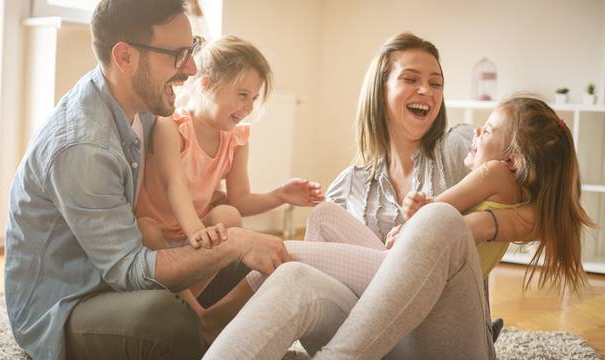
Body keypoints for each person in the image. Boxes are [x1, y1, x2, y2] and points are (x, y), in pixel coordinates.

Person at [203, 33, 545, 359]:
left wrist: (481, 224)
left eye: (436, 83)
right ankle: (208, 331)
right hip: (376, 341)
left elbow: (547, 206)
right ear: (380, 90)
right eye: (410, 79)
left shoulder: (462, 146)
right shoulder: (347, 185)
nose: (426, 90)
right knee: (296, 271)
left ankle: (228, 302)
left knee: (438, 219)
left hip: (444, 336)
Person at [4, 1, 291, 359]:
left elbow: (179, 183)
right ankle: (199, 328)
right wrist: (233, 242)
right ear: (125, 57)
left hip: (115, 274)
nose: (189, 68)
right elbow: (128, 269)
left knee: (248, 268)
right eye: (177, 54)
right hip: (70, 302)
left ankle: (205, 326)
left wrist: (225, 227)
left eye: (193, 49)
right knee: (166, 320)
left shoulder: (143, 107)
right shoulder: (84, 147)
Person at [134, 34, 324, 314]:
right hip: (160, 237)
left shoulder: (235, 139)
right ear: (207, 85)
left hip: (193, 234)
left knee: (229, 215)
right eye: (242, 95)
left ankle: (200, 306)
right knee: (144, 227)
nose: (249, 107)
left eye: (254, 98)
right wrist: (197, 232)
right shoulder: (172, 128)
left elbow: (240, 199)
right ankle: (196, 314)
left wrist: (280, 195)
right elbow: (174, 185)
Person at [399, 96, 592, 290]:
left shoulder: (495, 172)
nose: (477, 131)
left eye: (488, 130)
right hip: (449, 287)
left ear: (511, 160)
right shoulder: (524, 198)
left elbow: (433, 213)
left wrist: (415, 209)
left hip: (419, 275)